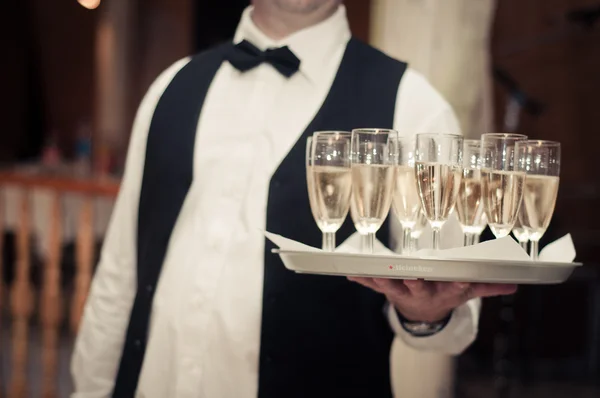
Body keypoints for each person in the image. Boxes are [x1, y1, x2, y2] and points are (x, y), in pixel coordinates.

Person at [71, 1, 516, 397]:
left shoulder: (414, 106)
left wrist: (427, 315)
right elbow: (119, 276)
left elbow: (448, 321)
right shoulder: (169, 88)